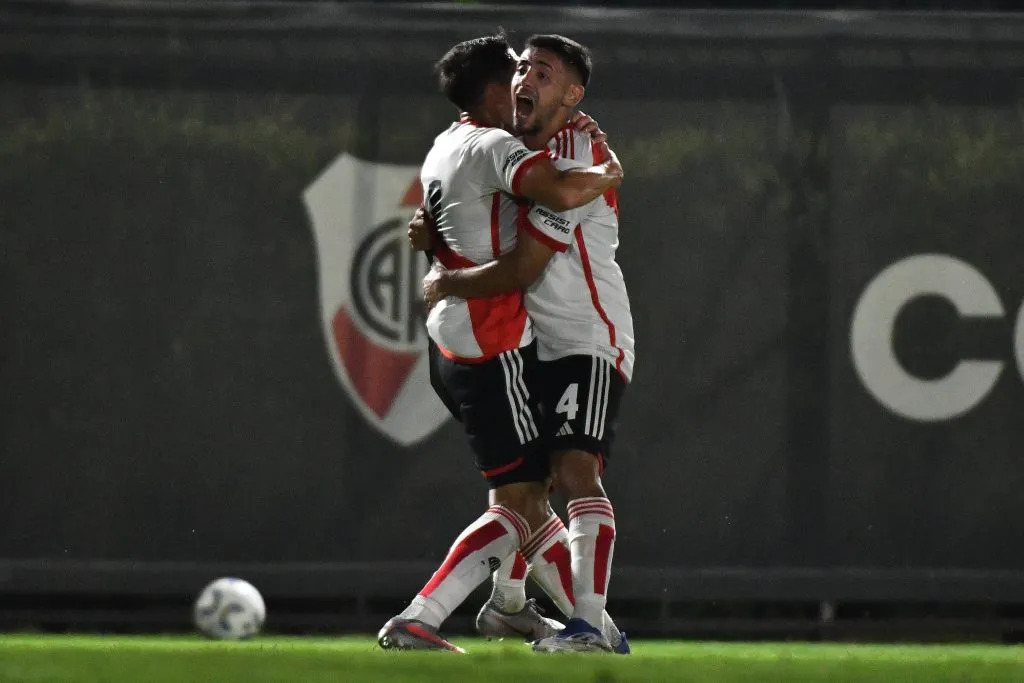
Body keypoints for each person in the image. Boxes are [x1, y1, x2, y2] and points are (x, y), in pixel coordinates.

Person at [376, 31, 622, 653]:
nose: (524, 81)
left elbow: (442, 222)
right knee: (527, 495)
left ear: (570, 92)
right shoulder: (499, 147)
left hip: (473, 340)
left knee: (534, 490)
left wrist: (434, 252)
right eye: (519, 70)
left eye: (540, 72)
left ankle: (518, 606)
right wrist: (608, 173)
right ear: (494, 89)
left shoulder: (450, 142)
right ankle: (425, 615)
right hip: (493, 338)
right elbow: (531, 249)